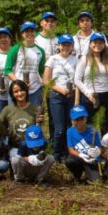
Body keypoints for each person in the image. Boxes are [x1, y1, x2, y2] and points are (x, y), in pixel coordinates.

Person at [43, 33, 78, 161]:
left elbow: (78, 79)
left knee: (69, 125)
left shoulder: (75, 60)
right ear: (59, 45)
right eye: (63, 44)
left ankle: (67, 151)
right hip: (56, 95)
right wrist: (60, 89)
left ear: (72, 46)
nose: (66, 47)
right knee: (59, 128)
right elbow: (46, 80)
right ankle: (56, 154)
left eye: (68, 44)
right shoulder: (52, 59)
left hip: (71, 96)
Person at [73, 32, 108, 122]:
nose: (97, 45)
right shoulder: (85, 58)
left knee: (105, 124)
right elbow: (77, 80)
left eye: (100, 43)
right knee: (89, 124)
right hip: (90, 96)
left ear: (104, 45)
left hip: (107, 95)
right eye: (95, 42)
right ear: (90, 44)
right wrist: (88, 93)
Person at [4, 22, 47, 106]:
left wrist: (46, 86)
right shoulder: (15, 49)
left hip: (34, 90)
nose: (30, 33)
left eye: (32, 31)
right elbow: (7, 70)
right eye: (27, 31)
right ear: (22, 34)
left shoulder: (40, 51)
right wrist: (18, 82)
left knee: (34, 117)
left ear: (35, 32)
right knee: (15, 117)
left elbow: (42, 71)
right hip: (17, 91)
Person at [0, 80, 44, 158]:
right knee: (18, 159)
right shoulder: (7, 110)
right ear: (12, 94)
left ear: (26, 91)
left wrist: (39, 123)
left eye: (21, 90)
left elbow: (38, 130)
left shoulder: (35, 108)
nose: (19, 93)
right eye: (16, 92)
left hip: (32, 146)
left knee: (47, 159)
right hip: (14, 147)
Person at [63, 106, 103, 184]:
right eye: (77, 119)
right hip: (80, 158)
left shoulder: (93, 131)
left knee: (96, 181)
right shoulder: (70, 131)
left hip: (92, 160)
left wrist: (97, 152)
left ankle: (89, 174)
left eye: (82, 118)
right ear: (73, 121)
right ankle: (77, 175)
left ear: (86, 118)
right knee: (69, 161)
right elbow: (71, 150)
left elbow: (99, 147)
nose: (80, 122)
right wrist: (81, 155)